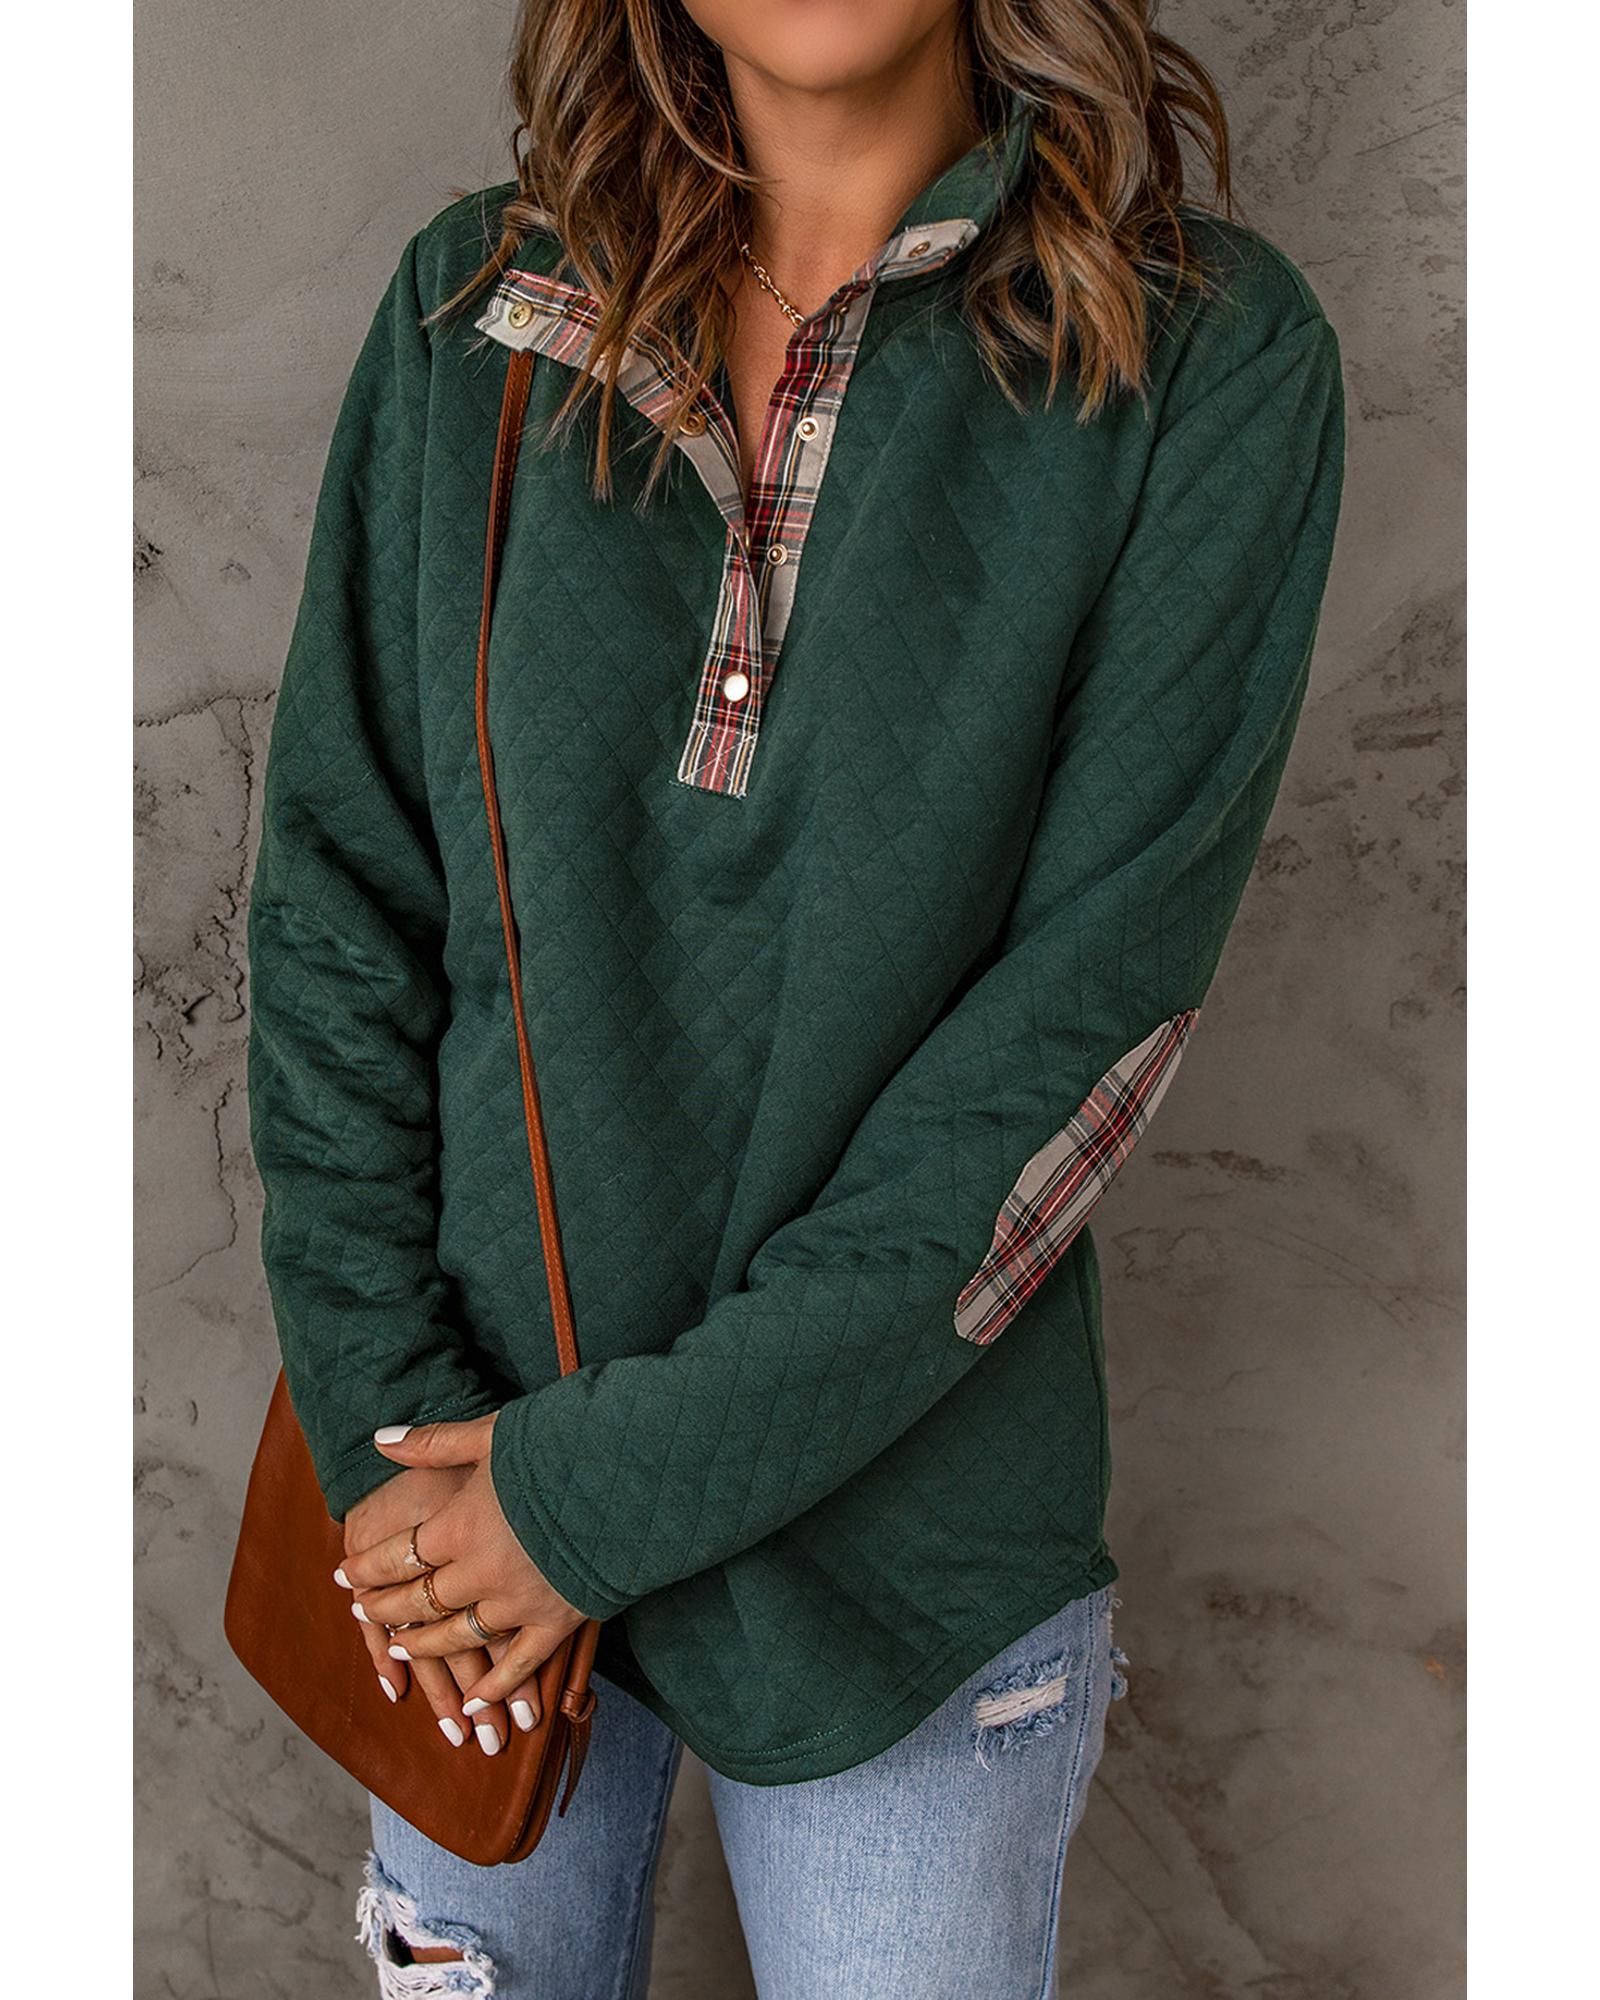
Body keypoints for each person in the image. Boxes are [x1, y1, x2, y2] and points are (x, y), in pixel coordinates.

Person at [243, 2, 1346, 1994]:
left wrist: (594, 1501)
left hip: (900, 1562)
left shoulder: (1205, 354)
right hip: (459, 1500)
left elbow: (1066, 1045)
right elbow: (338, 916)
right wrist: (389, 1447)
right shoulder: (473, 314)